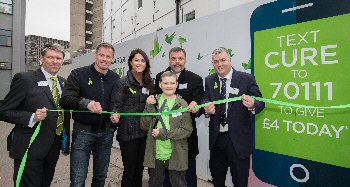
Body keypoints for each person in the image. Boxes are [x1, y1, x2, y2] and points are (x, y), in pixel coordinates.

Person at [0, 43, 71, 187]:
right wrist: (32, 117)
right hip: (29, 146)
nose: (55, 61)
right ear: (41, 58)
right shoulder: (25, 79)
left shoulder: (64, 83)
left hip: (53, 147)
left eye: (58, 58)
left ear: (63, 60)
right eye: (50, 57)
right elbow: (4, 111)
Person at [202, 47, 265, 187]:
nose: (219, 64)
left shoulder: (246, 78)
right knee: (217, 180)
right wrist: (207, 107)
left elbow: (261, 102)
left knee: (240, 182)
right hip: (217, 140)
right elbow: (205, 99)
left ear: (230, 60)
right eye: (216, 61)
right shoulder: (209, 80)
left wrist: (253, 104)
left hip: (238, 141)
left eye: (223, 60)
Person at [59, 43, 120, 187]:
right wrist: (85, 103)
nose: (104, 59)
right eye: (101, 55)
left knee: (100, 177)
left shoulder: (116, 78)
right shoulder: (78, 74)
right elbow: (65, 100)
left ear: (112, 59)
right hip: (83, 133)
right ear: (95, 55)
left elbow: (117, 104)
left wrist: (115, 117)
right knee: (78, 179)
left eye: (108, 56)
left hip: (106, 133)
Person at [155, 47, 204, 187]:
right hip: (164, 139)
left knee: (187, 177)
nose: (177, 62)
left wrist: (197, 106)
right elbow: (155, 101)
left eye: (180, 58)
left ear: (185, 60)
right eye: (173, 58)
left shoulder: (195, 79)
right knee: (166, 178)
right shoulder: (159, 77)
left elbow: (200, 101)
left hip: (185, 138)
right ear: (169, 59)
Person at [110, 49, 155, 187]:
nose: (139, 63)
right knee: (130, 170)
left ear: (146, 63)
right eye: (136, 60)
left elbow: (153, 105)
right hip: (128, 133)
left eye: (142, 60)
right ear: (130, 62)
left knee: (140, 169)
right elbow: (115, 105)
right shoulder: (123, 82)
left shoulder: (149, 83)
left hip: (144, 132)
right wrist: (114, 115)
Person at [141, 71, 193, 187]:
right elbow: (144, 125)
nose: (169, 86)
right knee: (154, 183)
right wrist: (148, 106)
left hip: (176, 154)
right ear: (160, 84)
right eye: (165, 83)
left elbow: (187, 131)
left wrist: (164, 134)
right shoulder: (153, 101)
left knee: (179, 184)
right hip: (156, 154)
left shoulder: (182, 104)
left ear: (177, 84)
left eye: (172, 83)